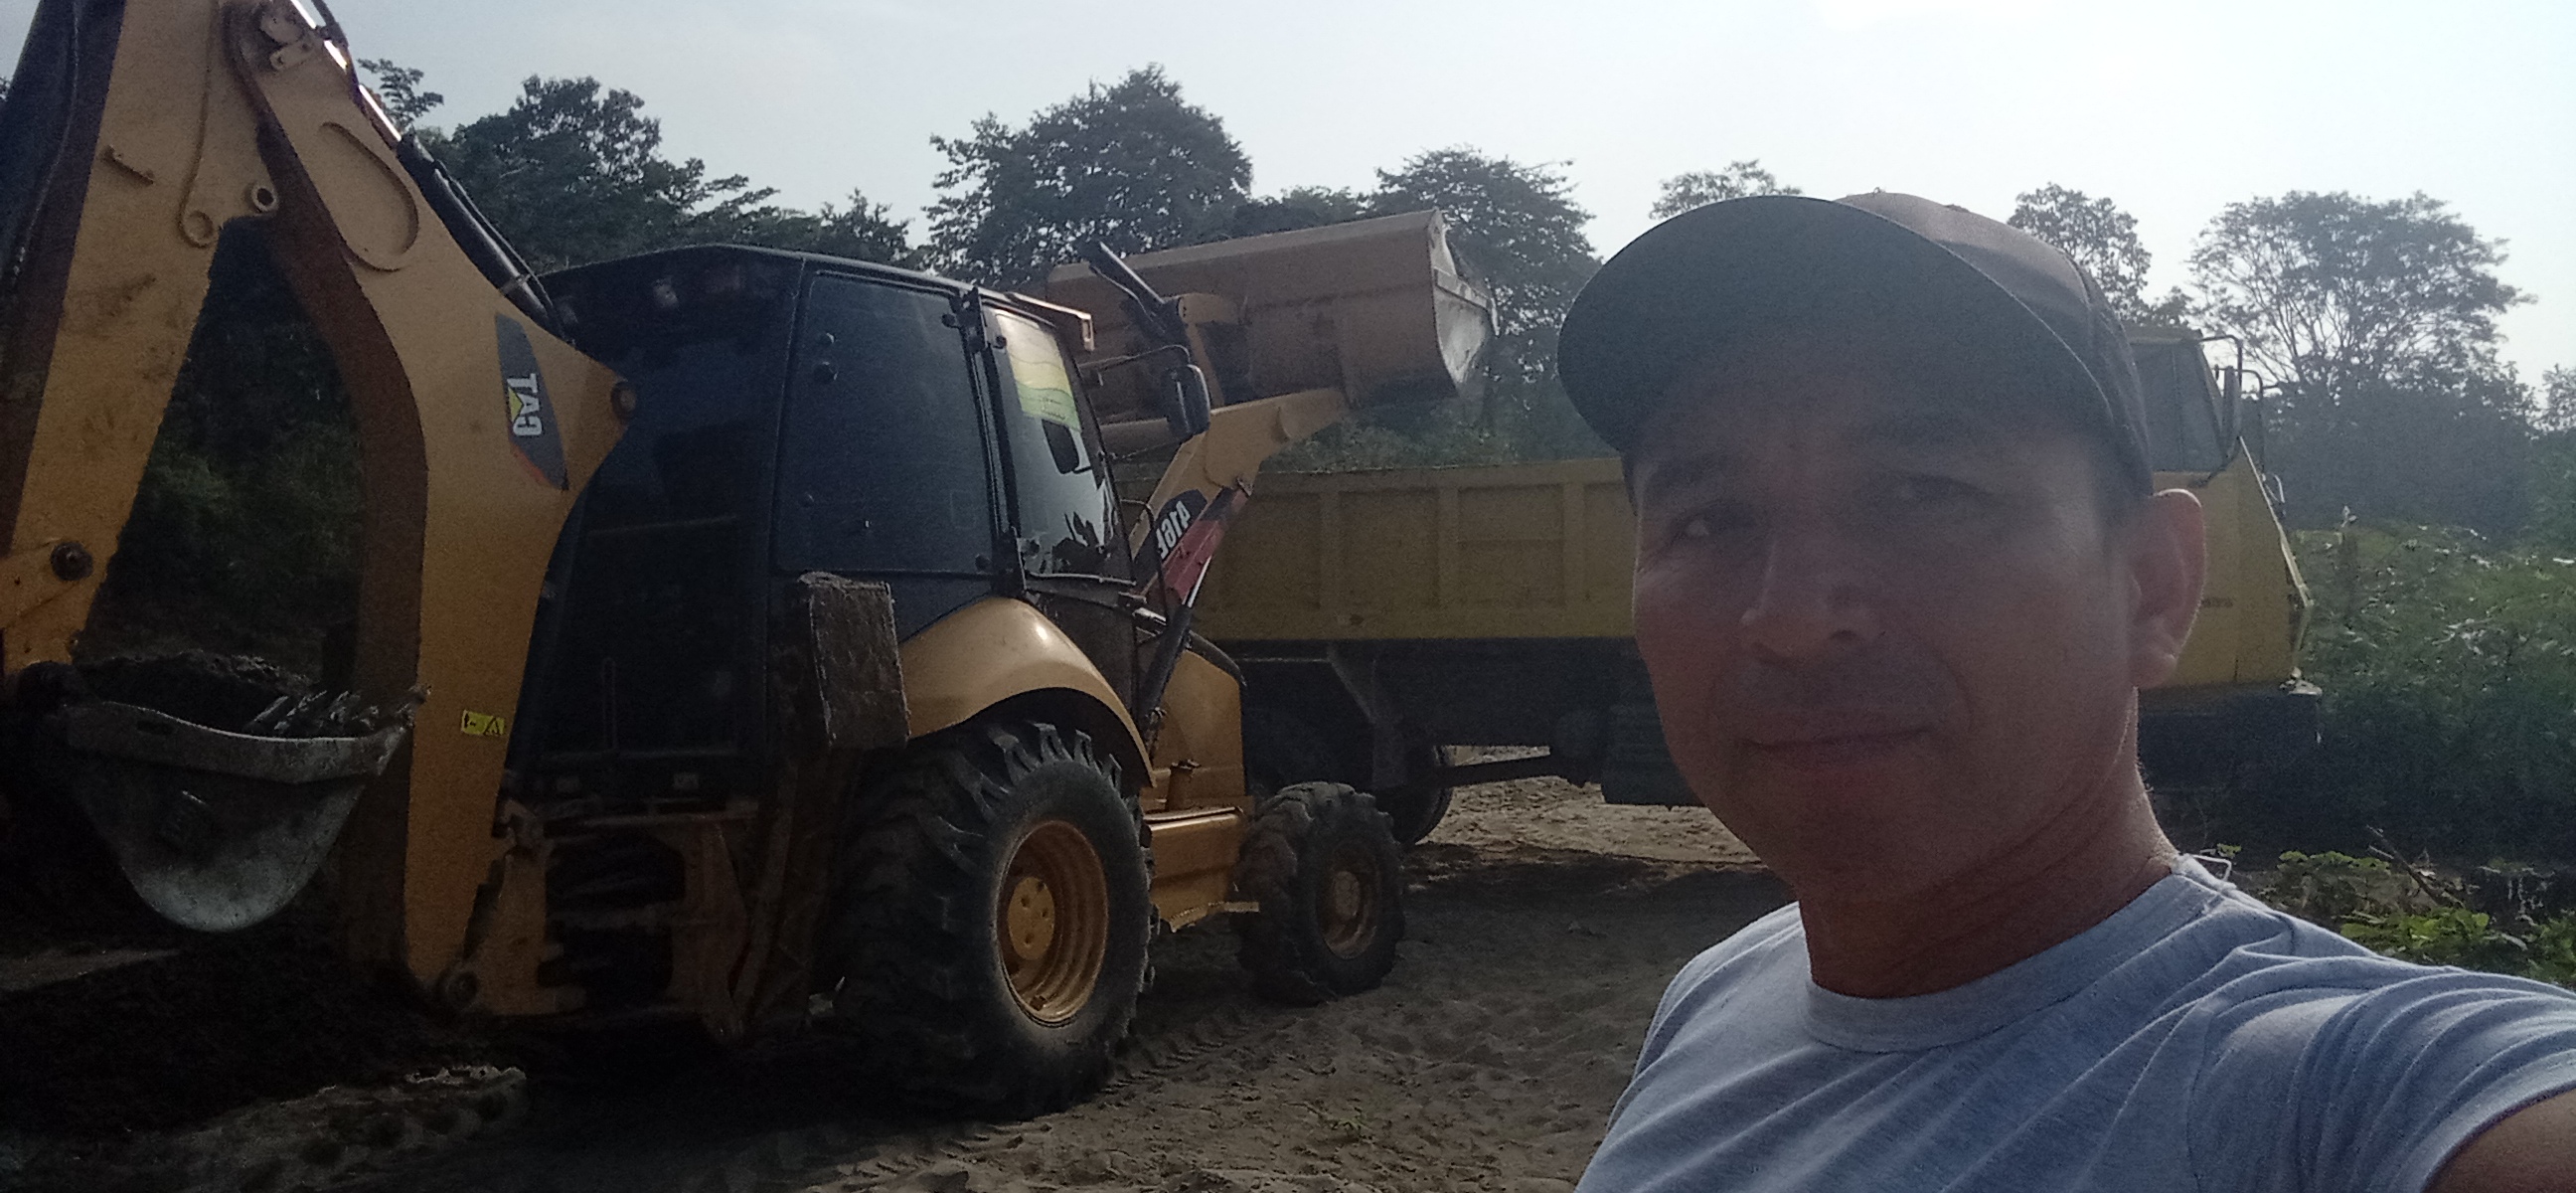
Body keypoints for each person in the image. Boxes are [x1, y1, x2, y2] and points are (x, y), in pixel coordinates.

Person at [1555, 192, 2576, 1192]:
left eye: (1923, 492)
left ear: (2151, 586)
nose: (1789, 618)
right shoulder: (1724, 993)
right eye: (1709, 520)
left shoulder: (2342, 1091)